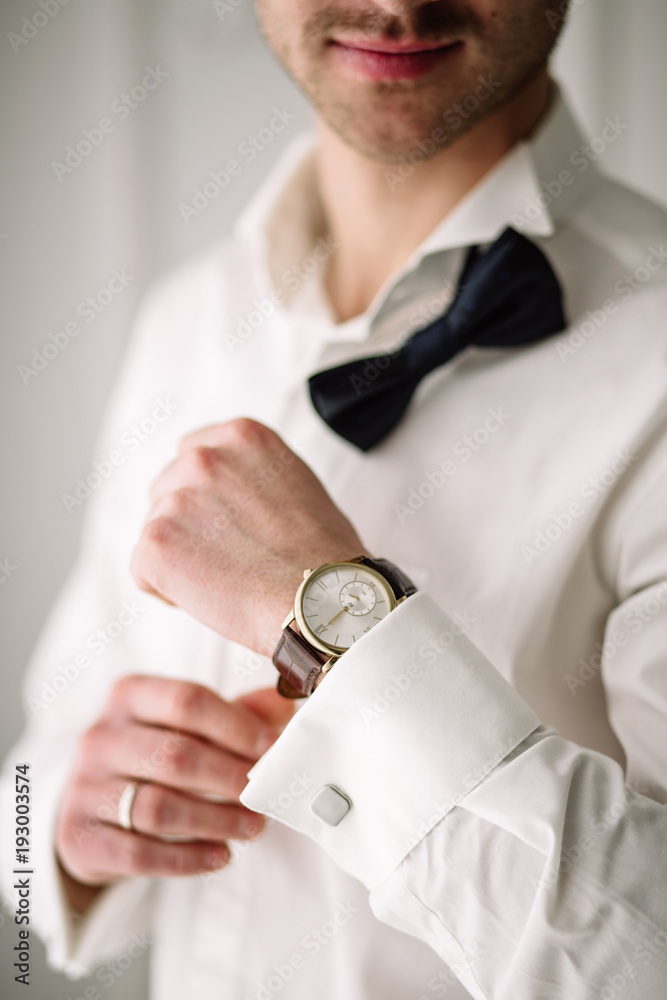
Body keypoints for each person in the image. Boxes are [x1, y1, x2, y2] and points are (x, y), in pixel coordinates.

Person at [3, 1, 667, 997]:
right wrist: (60, 829)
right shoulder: (181, 317)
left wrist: (335, 617)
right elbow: (24, 786)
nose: (396, 3)